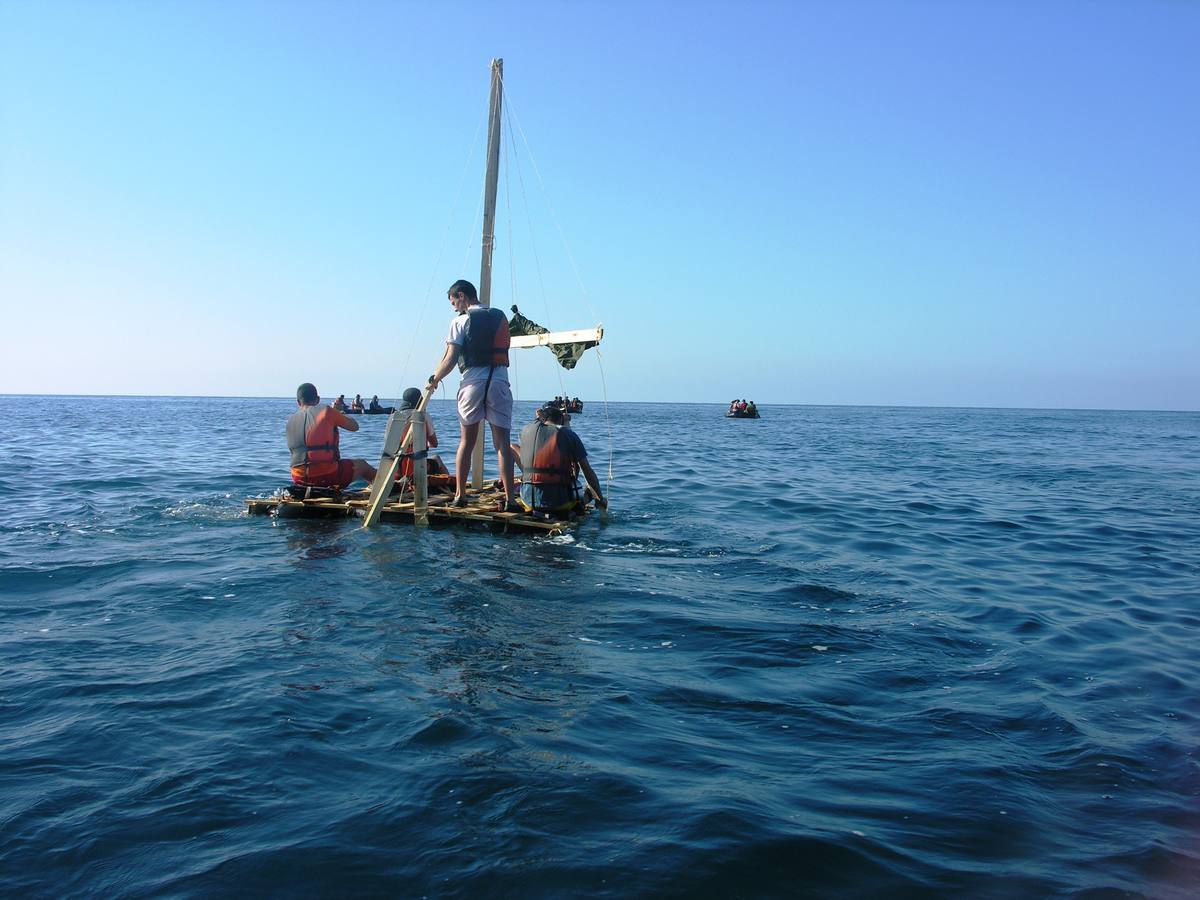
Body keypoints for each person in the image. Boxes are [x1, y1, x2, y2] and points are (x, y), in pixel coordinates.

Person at [428, 279, 518, 510]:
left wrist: (434, 379)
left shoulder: (460, 321)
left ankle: (461, 495)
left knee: (467, 441)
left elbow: (449, 359)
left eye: (453, 301)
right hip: (499, 380)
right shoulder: (500, 317)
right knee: (503, 443)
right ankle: (510, 500)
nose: (453, 307)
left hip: (473, 382)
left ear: (462, 296)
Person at [518, 401, 606, 517]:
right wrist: (599, 498)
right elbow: (587, 472)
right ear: (561, 420)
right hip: (559, 503)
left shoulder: (526, 431)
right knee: (587, 492)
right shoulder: (569, 435)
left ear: (541, 418)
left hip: (528, 499)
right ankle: (585, 499)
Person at [286, 382, 376, 488]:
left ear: (298, 402)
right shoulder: (327, 411)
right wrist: (339, 411)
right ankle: (388, 491)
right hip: (327, 475)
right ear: (318, 399)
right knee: (362, 465)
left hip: (298, 477)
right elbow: (354, 426)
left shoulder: (290, 420)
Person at [393, 387, 448, 479]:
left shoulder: (393, 418)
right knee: (436, 458)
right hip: (418, 467)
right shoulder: (424, 416)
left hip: (396, 468)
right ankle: (452, 485)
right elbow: (434, 444)